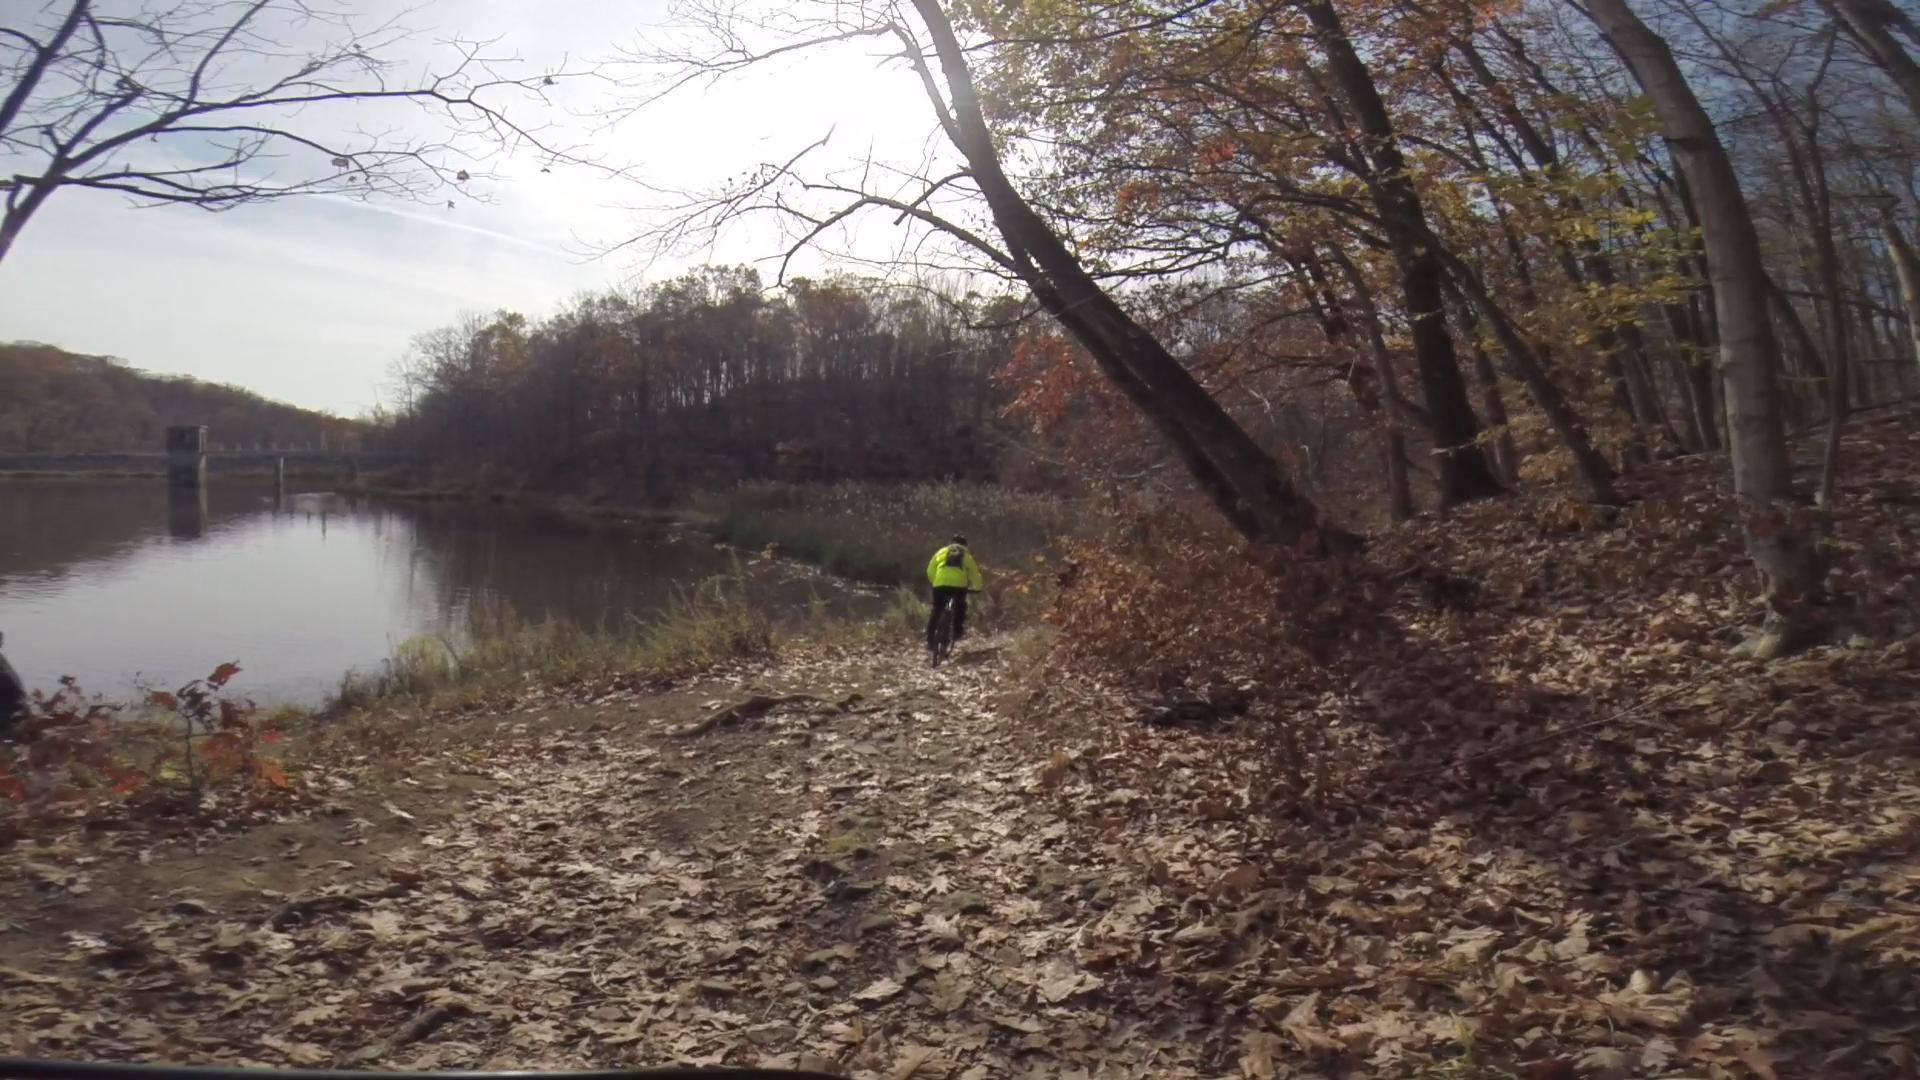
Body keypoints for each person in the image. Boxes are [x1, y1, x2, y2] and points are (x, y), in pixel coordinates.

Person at [925, 534, 983, 649]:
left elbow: (930, 569)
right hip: (958, 586)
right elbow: (974, 574)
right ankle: (957, 631)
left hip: (940, 584)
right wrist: (977, 587)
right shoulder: (966, 555)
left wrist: (934, 581)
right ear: (965, 545)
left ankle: (930, 638)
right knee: (960, 607)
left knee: (937, 609)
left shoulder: (941, 552)